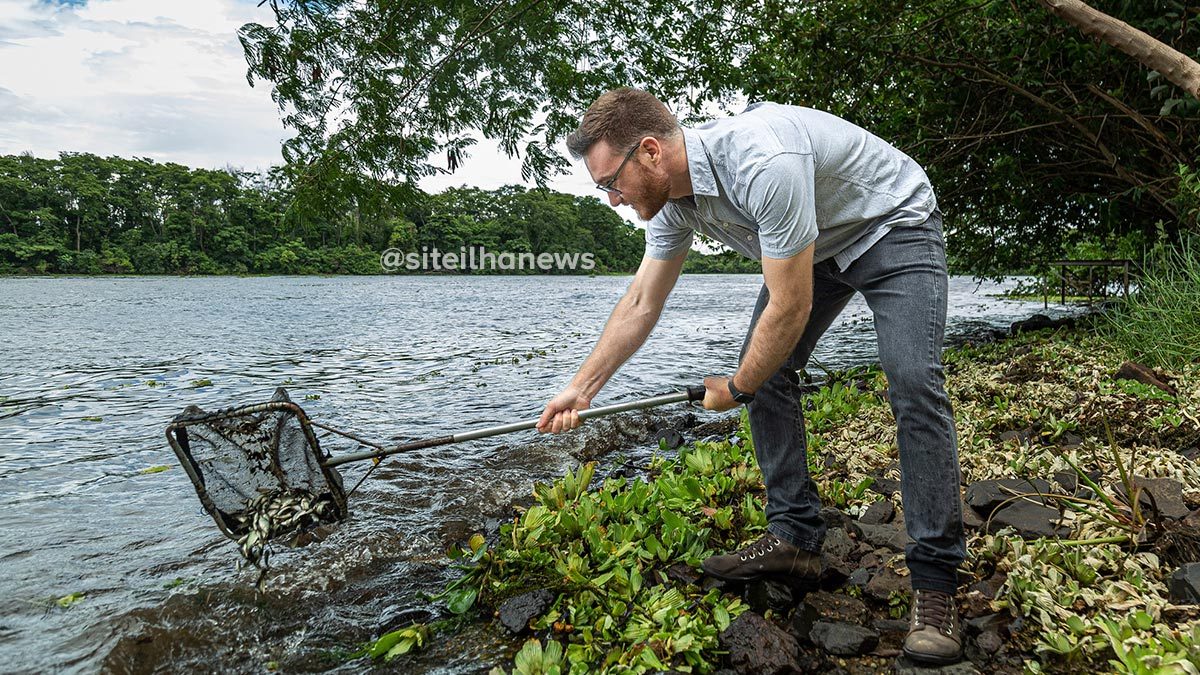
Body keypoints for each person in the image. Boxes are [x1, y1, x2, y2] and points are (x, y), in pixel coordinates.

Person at [535, 87, 966, 666]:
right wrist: (581, 389)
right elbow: (641, 300)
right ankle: (794, 539)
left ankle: (935, 583)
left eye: (610, 182)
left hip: (891, 224)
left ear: (650, 152)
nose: (612, 199)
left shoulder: (763, 162)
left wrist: (737, 388)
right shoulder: (671, 203)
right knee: (768, 370)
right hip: (814, 246)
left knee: (911, 379)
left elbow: (788, 307)